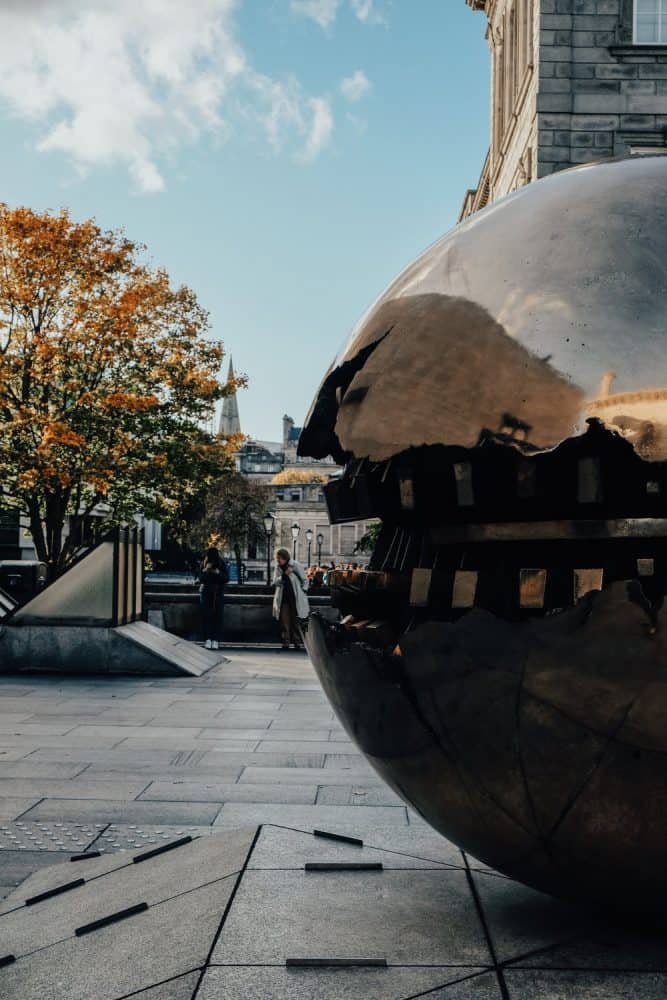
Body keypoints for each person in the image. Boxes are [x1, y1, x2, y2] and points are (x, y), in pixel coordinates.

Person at [272, 547, 309, 650]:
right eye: (277, 558)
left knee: (296, 620)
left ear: (285, 558)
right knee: (284, 621)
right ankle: (286, 641)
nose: (278, 560)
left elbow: (305, 580)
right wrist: (284, 575)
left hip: (295, 597)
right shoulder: (278, 568)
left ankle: (297, 641)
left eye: (279, 558)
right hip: (283, 598)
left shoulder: (295, 565)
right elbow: (275, 582)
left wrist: (304, 591)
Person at [199, 546, 228, 650]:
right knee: (207, 617)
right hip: (207, 593)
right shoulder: (204, 564)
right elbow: (200, 579)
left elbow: (226, 579)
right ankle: (208, 639)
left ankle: (215, 640)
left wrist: (218, 572)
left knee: (217, 617)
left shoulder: (221, 564)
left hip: (217, 593)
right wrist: (206, 570)